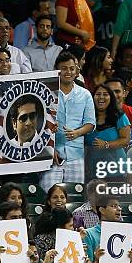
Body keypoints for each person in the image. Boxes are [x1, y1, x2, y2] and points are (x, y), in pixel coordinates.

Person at [39, 51, 95, 191]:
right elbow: (37, 124)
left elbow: (91, 123)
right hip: (51, 154)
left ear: (77, 71)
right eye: (64, 68)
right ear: (57, 70)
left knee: (74, 197)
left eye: (71, 68)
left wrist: (77, 132)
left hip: (76, 155)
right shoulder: (44, 92)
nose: (68, 72)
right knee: (48, 194)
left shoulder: (85, 94)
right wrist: (49, 149)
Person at [85, 84, 131, 179]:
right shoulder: (87, 116)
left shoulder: (119, 116)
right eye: (98, 94)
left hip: (117, 171)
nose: (101, 97)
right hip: (93, 172)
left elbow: (126, 140)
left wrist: (106, 144)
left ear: (111, 98)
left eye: (105, 94)